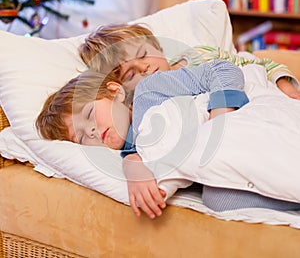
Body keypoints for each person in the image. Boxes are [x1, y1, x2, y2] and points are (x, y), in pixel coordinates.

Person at [36, 60, 300, 219]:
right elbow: (138, 156)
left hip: (246, 123)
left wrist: (220, 118)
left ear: (115, 92)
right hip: (230, 165)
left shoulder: (150, 92)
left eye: (90, 114)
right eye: (81, 136)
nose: (92, 131)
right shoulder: (134, 150)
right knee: (218, 199)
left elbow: (222, 70)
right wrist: (133, 168)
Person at [79, 23, 300, 99]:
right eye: (130, 75)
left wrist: (286, 87)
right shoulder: (147, 100)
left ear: (157, 46)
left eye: (144, 55)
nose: (144, 67)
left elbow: (261, 65)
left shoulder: (201, 55)